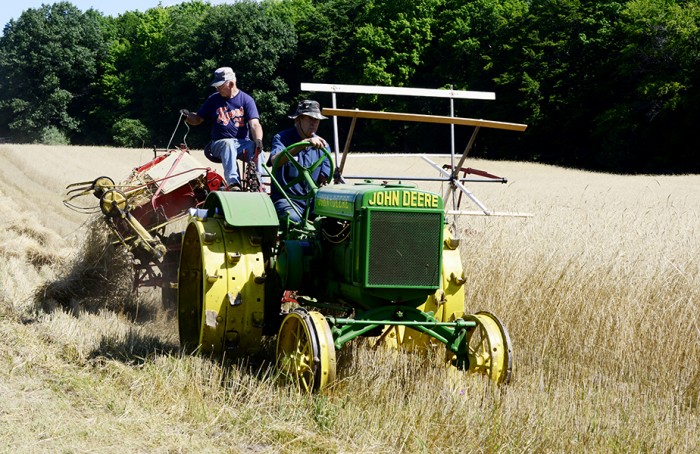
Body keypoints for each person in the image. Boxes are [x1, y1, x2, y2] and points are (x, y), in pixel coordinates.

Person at [182, 66, 264, 190]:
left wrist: (258, 140)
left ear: (231, 84)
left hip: (242, 144)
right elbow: (198, 119)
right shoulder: (213, 99)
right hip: (219, 144)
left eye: (220, 86)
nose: (217, 88)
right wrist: (187, 116)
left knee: (256, 149)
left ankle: (259, 183)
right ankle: (234, 184)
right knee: (228, 144)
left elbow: (255, 124)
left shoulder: (247, 100)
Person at [269, 100, 332, 223]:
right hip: (286, 199)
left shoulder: (323, 146)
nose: (314, 123)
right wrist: (301, 145)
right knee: (293, 219)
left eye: (317, 120)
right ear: (298, 120)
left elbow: (324, 180)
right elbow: (274, 160)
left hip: (312, 201)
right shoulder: (282, 138)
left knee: (329, 221)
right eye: (310, 118)